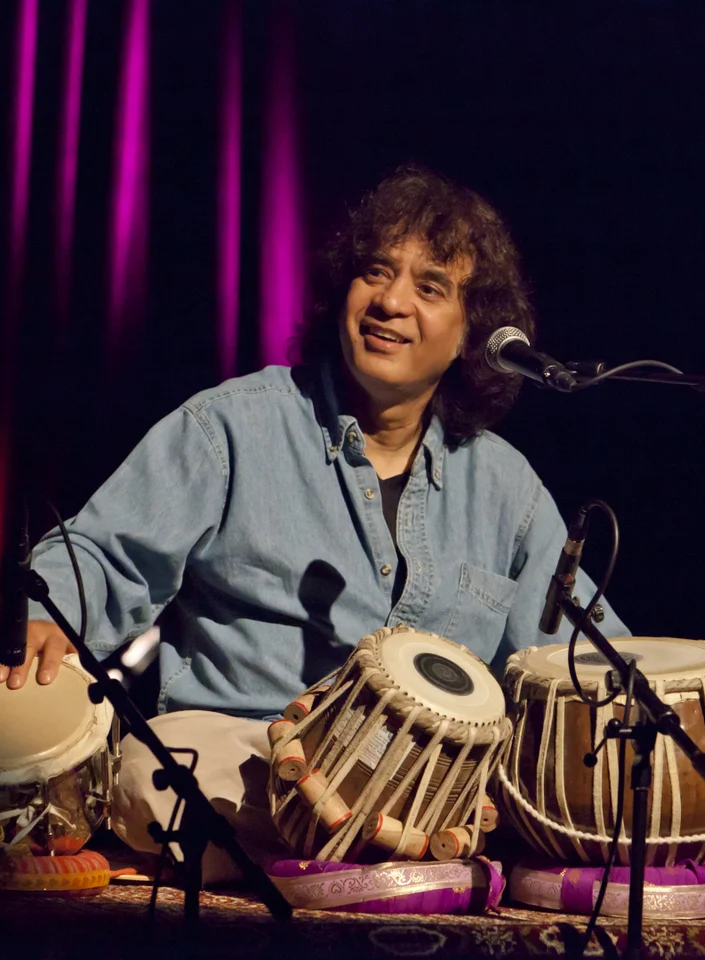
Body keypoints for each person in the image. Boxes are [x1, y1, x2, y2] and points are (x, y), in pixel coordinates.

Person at [0, 164, 628, 879]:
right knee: (157, 776)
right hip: (248, 753)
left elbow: (579, 657)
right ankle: (396, 865)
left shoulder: (505, 488)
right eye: (375, 273)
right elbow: (100, 559)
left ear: (471, 336)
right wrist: (43, 615)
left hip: (436, 784)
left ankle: (367, 863)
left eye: (430, 288)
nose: (391, 301)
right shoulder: (229, 429)